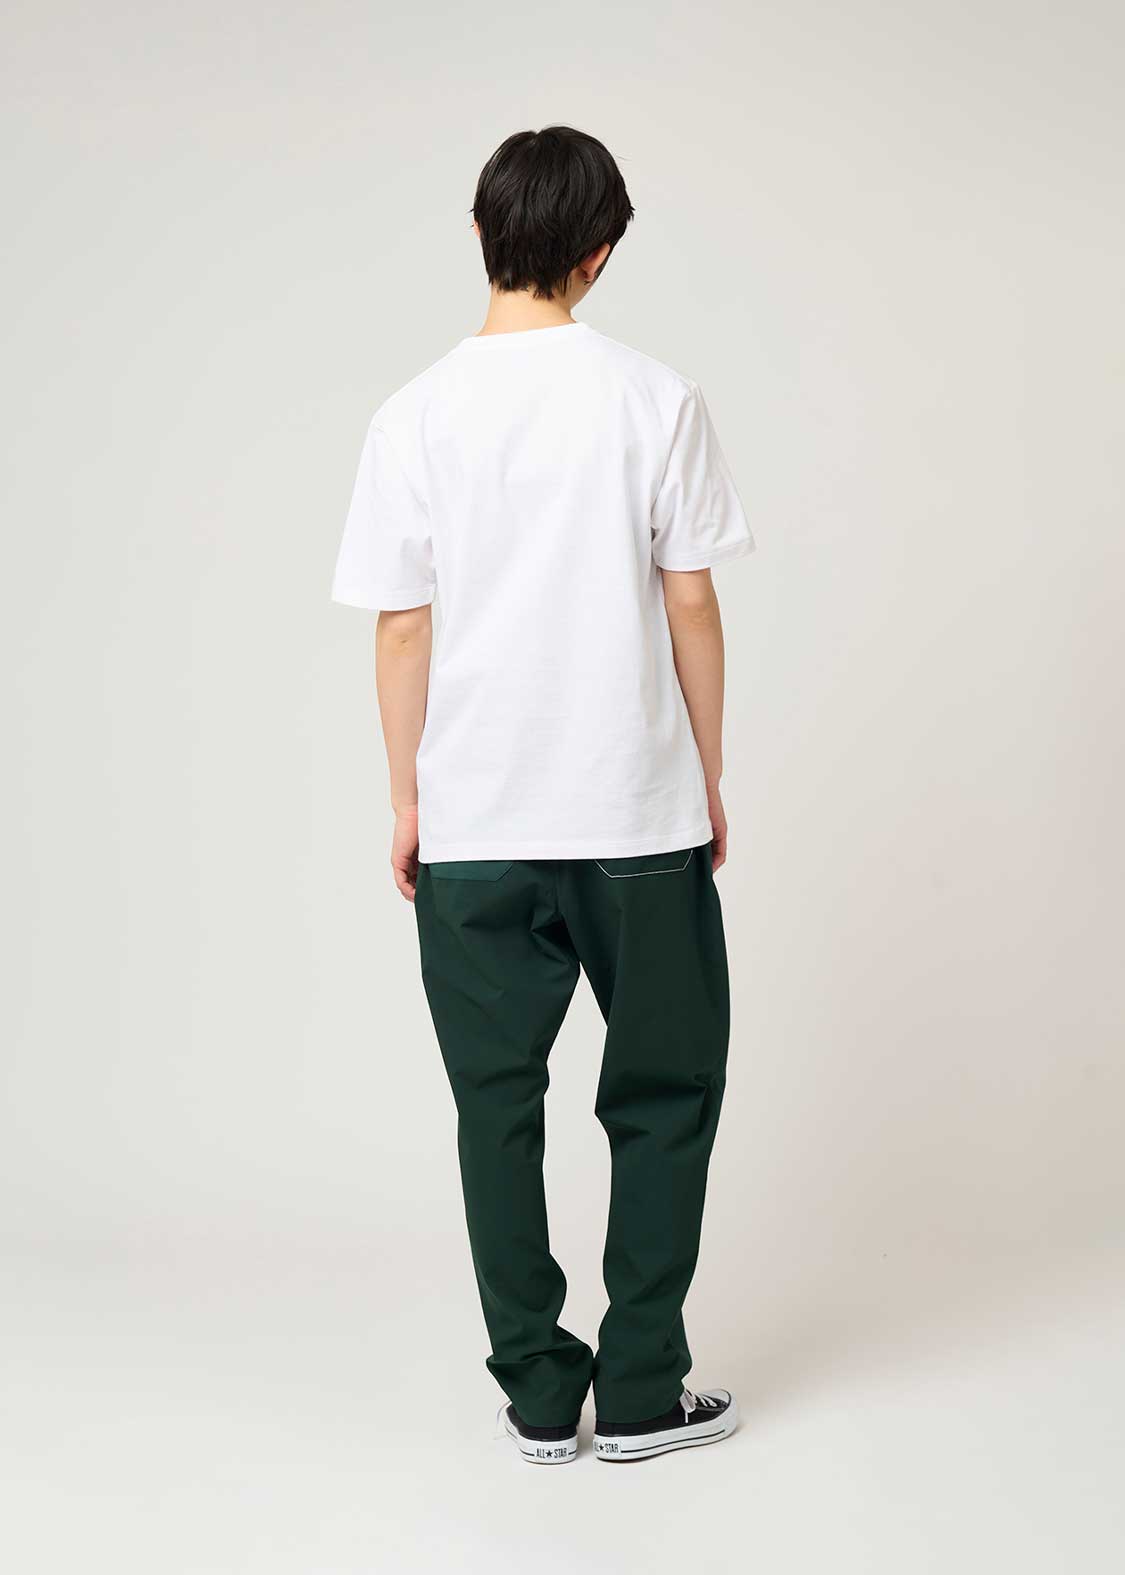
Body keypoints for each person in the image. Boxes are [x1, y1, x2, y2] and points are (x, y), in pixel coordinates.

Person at [332, 126, 753, 1464]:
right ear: (600, 254)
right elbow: (692, 600)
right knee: (666, 1096)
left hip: (474, 824)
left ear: (478, 233)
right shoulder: (655, 398)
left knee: (494, 1108)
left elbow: (402, 625)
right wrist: (706, 770)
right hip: (634, 816)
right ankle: (639, 1391)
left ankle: (533, 1387)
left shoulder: (411, 415)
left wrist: (407, 798)